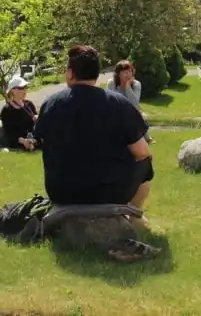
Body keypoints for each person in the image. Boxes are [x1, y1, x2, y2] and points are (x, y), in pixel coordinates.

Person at [34, 45, 152, 225]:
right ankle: (134, 218)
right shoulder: (119, 104)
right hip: (108, 193)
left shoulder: (51, 104)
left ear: (70, 73)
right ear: (97, 75)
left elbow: (42, 140)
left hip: (62, 191)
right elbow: (142, 152)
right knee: (146, 163)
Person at [106, 60, 153, 143]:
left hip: (131, 111)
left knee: (137, 114)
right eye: (125, 72)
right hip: (116, 112)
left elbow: (135, 104)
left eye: (130, 72)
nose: (128, 75)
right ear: (118, 74)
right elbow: (111, 101)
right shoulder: (112, 83)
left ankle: (144, 137)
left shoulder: (136, 84)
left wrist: (128, 87)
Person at [0, 75, 39, 150]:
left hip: (33, 137)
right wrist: (23, 141)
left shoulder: (29, 104)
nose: (24, 90)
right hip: (19, 142)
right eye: (21, 88)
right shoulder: (7, 110)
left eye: (25, 87)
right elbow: (9, 133)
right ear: (13, 90)